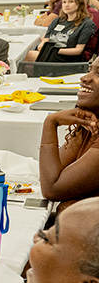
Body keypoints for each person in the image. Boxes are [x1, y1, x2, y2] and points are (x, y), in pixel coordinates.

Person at [38, 58, 99, 211]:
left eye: (98, 73)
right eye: (89, 70)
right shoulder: (90, 124)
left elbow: (52, 189)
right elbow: (52, 173)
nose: (84, 78)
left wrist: (51, 122)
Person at [28, 0, 97, 64]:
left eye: (71, 2)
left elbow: (78, 50)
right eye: (64, 2)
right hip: (52, 53)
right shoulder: (57, 21)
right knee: (29, 54)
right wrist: (42, 45)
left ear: (79, 4)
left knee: (30, 55)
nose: (66, 5)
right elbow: (47, 37)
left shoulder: (87, 24)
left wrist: (53, 51)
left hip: (69, 57)